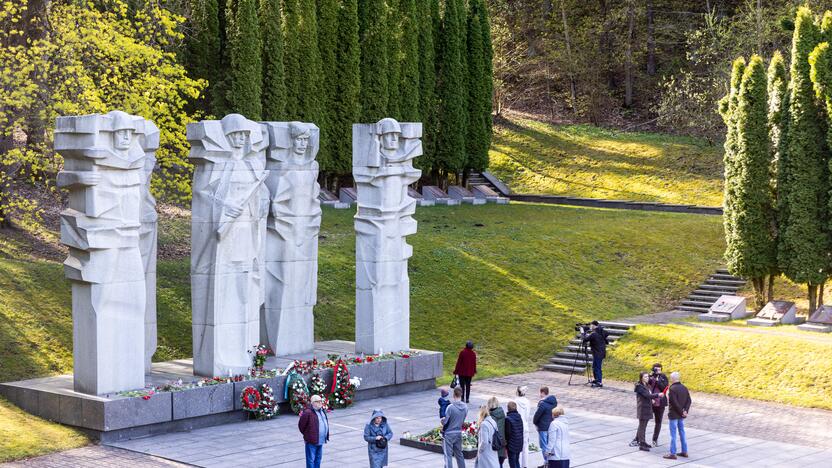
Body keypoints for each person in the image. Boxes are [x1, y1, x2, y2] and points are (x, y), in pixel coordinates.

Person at [664, 371, 692, 460]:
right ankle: (684, 451)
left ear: (672, 379)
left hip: (674, 414)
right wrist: (685, 411)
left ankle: (673, 453)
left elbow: (674, 403)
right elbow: (689, 400)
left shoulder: (672, 389)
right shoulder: (684, 387)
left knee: (673, 434)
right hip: (681, 415)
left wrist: (681, 412)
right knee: (682, 432)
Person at [298, 394, 329, 468]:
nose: (320, 403)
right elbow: (301, 426)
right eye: (317, 401)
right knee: (311, 460)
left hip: (320, 440)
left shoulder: (322, 410)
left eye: (321, 401)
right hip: (311, 441)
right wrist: (308, 435)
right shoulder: (308, 412)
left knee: (318, 459)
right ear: (312, 403)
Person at [634, 372, 660, 452]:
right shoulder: (639, 387)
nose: (647, 378)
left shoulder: (647, 385)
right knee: (642, 427)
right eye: (645, 377)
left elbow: (648, 395)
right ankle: (641, 444)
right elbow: (647, 395)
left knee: (644, 426)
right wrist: (657, 395)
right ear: (641, 377)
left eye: (648, 377)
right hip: (642, 409)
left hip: (647, 408)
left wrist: (652, 399)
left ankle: (643, 441)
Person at [443, 386, 469, 468]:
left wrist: (442, 420)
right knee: (459, 455)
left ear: (454, 394)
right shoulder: (465, 407)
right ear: (461, 394)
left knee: (448, 456)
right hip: (458, 433)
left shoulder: (450, 407)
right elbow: (462, 420)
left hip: (449, 434)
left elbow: (445, 422)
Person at [532, 386, 558, 468]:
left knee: (544, 446)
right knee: (550, 445)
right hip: (551, 426)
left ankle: (547, 463)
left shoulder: (542, 403)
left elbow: (537, 415)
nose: (539, 394)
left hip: (543, 427)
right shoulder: (553, 402)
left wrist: (535, 423)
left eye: (540, 392)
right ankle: (549, 462)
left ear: (543, 392)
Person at [580, 321, 609, 388]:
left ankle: (599, 382)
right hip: (600, 352)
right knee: (594, 367)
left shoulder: (594, 334)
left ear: (593, 325)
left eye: (591, 325)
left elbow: (585, 339)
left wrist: (582, 332)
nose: (590, 327)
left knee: (597, 367)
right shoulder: (601, 332)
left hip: (597, 353)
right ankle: (597, 380)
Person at [648, 363, 669, 447]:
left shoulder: (663, 377)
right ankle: (639, 438)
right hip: (650, 401)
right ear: (653, 369)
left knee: (658, 421)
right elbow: (645, 386)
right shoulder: (649, 376)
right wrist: (650, 377)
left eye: (659, 369)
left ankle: (655, 439)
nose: (658, 371)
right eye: (656, 369)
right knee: (644, 419)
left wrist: (658, 381)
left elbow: (664, 388)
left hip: (660, 403)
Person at [513, 386, 532, 468]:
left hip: (517, 426)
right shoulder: (528, 402)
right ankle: (525, 465)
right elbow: (527, 416)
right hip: (525, 425)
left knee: (516, 447)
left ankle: (517, 464)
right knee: (525, 446)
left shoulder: (515, 401)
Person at [487, 396, 507, 467]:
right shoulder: (502, 414)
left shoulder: (490, 417)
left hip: (493, 446)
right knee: (500, 464)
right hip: (501, 444)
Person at [504, 401, 525, 468]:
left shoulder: (507, 419)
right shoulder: (519, 417)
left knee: (512, 463)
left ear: (508, 409)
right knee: (516, 461)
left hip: (512, 445)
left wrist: (506, 444)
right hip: (519, 442)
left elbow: (508, 434)